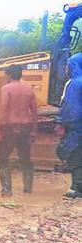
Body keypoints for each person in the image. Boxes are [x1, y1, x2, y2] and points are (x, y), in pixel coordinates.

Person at [0, 65, 38, 197]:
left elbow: (3, 110)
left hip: (11, 128)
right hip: (26, 127)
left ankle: (7, 190)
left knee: (2, 158)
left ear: (9, 75)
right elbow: (35, 112)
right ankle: (28, 189)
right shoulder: (29, 89)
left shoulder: (6, 89)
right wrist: (34, 130)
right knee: (25, 158)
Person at [56, 53, 82, 199]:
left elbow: (71, 108)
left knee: (75, 156)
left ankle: (77, 188)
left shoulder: (74, 83)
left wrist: (61, 123)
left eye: (68, 65)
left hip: (77, 128)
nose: (66, 68)